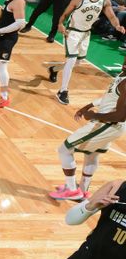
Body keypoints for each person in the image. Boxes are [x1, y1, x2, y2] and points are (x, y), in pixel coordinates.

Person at [48, 56, 126, 201]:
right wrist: (90, 105)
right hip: (110, 125)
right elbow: (111, 97)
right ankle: (83, 192)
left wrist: (94, 115)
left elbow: (121, 116)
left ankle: (71, 190)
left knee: (64, 150)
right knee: (92, 154)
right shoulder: (123, 75)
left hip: (108, 124)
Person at [48, 0, 125, 105]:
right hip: (72, 31)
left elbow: (111, 15)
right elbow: (65, 14)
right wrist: (60, 24)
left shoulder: (104, 0)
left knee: (78, 62)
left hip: (86, 33)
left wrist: (117, 26)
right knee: (71, 60)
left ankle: (54, 69)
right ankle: (63, 91)